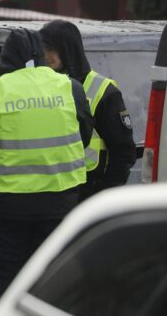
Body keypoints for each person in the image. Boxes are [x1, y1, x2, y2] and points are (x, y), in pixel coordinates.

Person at [0, 29, 93, 296]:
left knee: (12, 281)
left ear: (6, 57)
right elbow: (84, 138)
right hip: (59, 204)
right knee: (55, 279)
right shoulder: (71, 88)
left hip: (9, 208)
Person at [40, 20, 136, 199]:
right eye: (41, 49)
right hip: (49, 196)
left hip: (88, 194)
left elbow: (123, 152)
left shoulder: (102, 90)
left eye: (51, 49)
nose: (45, 55)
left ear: (68, 49)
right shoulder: (39, 86)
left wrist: (104, 196)